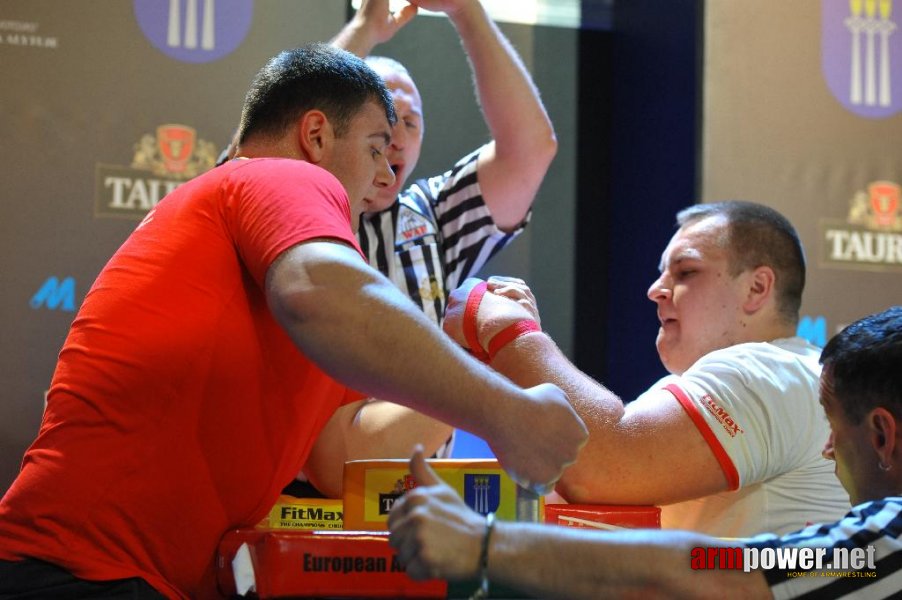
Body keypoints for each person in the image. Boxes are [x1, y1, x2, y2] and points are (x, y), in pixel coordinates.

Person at [0, 44, 586, 599]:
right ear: (316, 136)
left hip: (127, 577)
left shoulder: (298, 283)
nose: (385, 176)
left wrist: (465, 344)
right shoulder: (278, 180)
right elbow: (318, 292)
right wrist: (506, 412)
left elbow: (342, 455)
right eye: (377, 147)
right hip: (75, 572)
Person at [388, 306, 902, 599]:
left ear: (882, 436)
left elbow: (717, 567)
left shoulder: (881, 543)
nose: (828, 448)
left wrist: (482, 543)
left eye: (834, 428)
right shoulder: (868, 556)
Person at [442, 201, 851, 538]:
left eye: (686, 272)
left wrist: (507, 331)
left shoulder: (768, 372)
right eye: (661, 273)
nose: (655, 290)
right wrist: (504, 360)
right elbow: (565, 487)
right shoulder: (718, 380)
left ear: (757, 288)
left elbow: (604, 468)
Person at [298, 0, 558, 492]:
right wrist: (366, 28)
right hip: (286, 491)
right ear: (325, 128)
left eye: (409, 123)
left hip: (413, 497)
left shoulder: (432, 212)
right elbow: (273, 133)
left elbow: (532, 149)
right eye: (378, 120)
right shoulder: (288, 200)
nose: (392, 139)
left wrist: (467, 11)